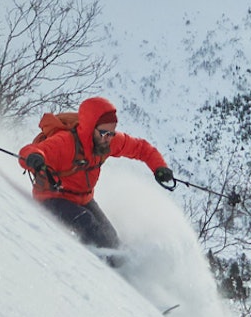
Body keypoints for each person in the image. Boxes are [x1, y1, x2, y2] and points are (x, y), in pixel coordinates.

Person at [19, 96, 174, 252]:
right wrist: (34, 158)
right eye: (104, 133)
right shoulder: (66, 142)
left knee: (111, 238)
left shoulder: (107, 142)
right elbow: (29, 152)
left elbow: (141, 148)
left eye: (111, 133)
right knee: (90, 227)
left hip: (83, 198)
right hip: (52, 197)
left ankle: (123, 268)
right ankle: (99, 269)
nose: (108, 138)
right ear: (90, 128)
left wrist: (159, 167)